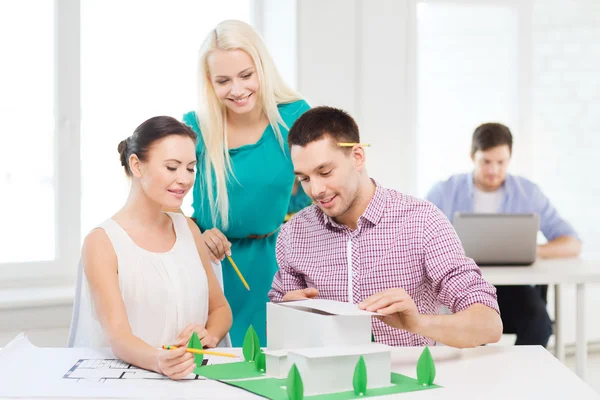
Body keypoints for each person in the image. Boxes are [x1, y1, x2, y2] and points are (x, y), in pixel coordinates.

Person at [268, 107, 503, 348]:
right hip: (326, 379)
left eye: (325, 172)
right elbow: (282, 323)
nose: (316, 190)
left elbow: (488, 326)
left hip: (407, 378)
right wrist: (289, 309)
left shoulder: (422, 222)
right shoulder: (294, 233)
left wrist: (417, 323)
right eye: (304, 179)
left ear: (357, 157)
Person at [182, 20, 311, 346]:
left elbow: (316, 194)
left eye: (246, 75)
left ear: (262, 69)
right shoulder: (195, 126)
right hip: (209, 267)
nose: (237, 90)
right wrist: (198, 233)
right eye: (223, 80)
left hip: (272, 266)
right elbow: (163, 203)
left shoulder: (294, 117)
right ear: (210, 83)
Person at [75, 116, 232, 379]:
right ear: (136, 165)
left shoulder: (189, 230)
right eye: (172, 167)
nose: (184, 179)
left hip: (194, 382)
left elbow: (220, 309)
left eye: (190, 168)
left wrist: (210, 334)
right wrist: (160, 360)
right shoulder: (102, 242)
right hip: (133, 384)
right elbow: (118, 336)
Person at [426, 122, 581, 347]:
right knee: (471, 329)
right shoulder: (444, 191)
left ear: (509, 159)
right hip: (463, 285)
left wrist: (531, 251)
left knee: (539, 324)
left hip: (513, 289)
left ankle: (518, 379)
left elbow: (572, 243)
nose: (493, 170)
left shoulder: (528, 193)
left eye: (501, 162)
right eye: (486, 161)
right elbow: (417, 239)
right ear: (472, 157)